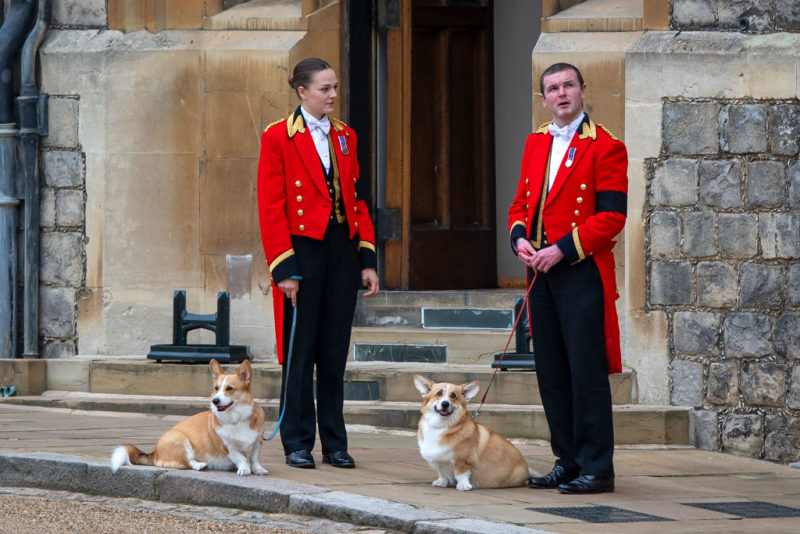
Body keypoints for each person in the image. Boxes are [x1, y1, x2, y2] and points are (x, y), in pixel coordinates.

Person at [507, 63, 627, 494]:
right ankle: (568, 460)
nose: (561, 94)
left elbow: (613, 216)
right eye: (553, 88)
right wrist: (520, 238)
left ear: (582, 91)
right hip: (540, 271)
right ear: (543, 98)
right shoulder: (536, 141)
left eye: (568, 86)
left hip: (579, 270)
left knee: (585, 371)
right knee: (551, 371)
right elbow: (521, 202)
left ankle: (598, 467)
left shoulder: (606, 146)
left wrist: (562, 248)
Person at [257, 57, 379, 469]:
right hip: (301, 253)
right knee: (300, 351)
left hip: (340, 251)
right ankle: (296, 440)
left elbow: (357, 200)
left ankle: (335, 443)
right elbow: (271, 207)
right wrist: (284, 269)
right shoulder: (278, 136)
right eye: (325, 88)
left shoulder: (345, 136)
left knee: (333, 351)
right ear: (302, 92)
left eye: (335, 87)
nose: (333, 95)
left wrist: (366, 258)